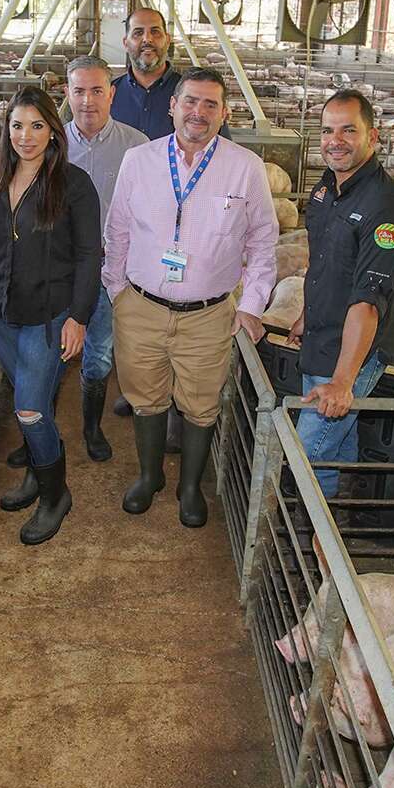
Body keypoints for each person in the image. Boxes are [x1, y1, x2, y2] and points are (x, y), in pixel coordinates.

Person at [104, 67, 277, 528]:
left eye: (210, 104)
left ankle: (190, 486)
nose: (198, 112)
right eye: (190, 101)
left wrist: (251, 306)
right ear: (173, 106)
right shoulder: (139, 161)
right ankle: (149, 475)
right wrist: (117, 290)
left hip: (208, 313)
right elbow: (117, 230)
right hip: (139, 306)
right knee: (144, 396)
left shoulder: (245, 167)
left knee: (201, 403)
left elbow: (263, 243)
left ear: (224, 112)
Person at [0, 86, 103, 545]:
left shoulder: (74, 184)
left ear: (53, 132)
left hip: (49, 318)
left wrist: (79, 317)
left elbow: (88, 257)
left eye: (37, 126)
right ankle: (38, 475)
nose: (26, 136)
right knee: (31, 407)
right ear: (6, 130)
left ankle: (54, 494)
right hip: (1, 315)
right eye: (17, 125)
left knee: (29, 408)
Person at [289, 91, 394, 496]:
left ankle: (308, 535)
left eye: (349, 129)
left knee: (305, 452)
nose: (336, 140)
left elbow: (368, 301)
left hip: (353, 350)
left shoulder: (387, 208)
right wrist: (307, 313)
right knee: (335, 443)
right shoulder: (327, 187)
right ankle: (337, 517)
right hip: (323, 333)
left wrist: (343, 382)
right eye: (328, 130)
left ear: (373, 136)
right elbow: (328, 261)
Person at [61, 55, 148, 460]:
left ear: (111, 94)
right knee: (47, 350)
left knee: (97, 352)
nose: (88, 100)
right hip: (59, 269)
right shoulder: (51, 146)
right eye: (79, 90)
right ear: (67, 93)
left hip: (113, 267)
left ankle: (92, 428)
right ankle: (36, 428)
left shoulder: (137, 146)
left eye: (97, 90)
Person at [110, 7, 178, 140]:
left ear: (167, 40)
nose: (147, 39)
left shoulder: (191, 94)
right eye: (138, 33)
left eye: (155, 32)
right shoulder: (108, 95)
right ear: (126, 43)